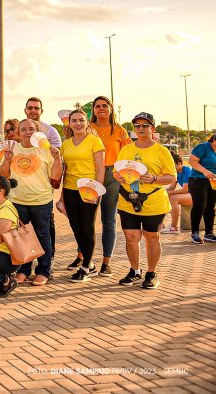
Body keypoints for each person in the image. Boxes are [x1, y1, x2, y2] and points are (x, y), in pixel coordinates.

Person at [114, 112, 176, 289]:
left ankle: (151, 273)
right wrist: (119, 177)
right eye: (137, 126)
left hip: (153, 201)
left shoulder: (161, 151)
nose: (140, 129)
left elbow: (171, 177)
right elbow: (116, 170)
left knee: (151, 237)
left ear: (152, 129)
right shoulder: (127, 149)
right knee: (131, 237)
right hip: (128, 199)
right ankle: (134, 271)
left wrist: (154, 179)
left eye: (145, 125)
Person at [0, 119, 62, 286]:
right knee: (23, 237)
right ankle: (24, 270)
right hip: (18, 200)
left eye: (31, 129)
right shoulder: (13, 148)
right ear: (18, 133)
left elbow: (55, 176)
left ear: (37, 131)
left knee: (42, 236)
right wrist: (7, 159)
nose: (28, 132)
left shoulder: (45, 150)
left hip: (41, 200)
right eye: (24, 129)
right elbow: (4, 174)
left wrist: (57, 159)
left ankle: (43, 271)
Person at [58, 109, 106, 281]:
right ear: (69, 123)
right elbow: (64, 171)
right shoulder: (66, 143)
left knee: (87, 227)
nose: (78, 123)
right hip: (70, 189)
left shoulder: (95, 141)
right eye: (74, 120)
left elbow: (100, 168)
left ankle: (86, 267)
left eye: (81, 120)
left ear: (86, 123)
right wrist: (61, 197)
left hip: (89, 190)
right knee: (76, 227)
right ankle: (90, 264)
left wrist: (96, 191)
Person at [88, 95, 131, 275]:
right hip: (90, 175)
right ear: (93, 110)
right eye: (97, 106)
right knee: (87, 219)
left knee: (109, 220)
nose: (101, 108)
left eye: (105, 105)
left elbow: (128, 152)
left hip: (112, 176)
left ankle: (107, 261)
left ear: (111, 109)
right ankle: (84, 257)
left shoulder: (120, 131)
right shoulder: (88, 128)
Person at [187, 133, 216, 244]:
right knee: (200, 206)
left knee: (211, 207)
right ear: (214, 140)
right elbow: (192, 161)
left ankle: (209, 234)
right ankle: (195, 233)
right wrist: (205, 172)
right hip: (198, 179)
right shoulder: (203, 147)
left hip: (213, 182)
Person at [162, 150, 192, 234]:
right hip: (189, 195)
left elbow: (185, 190)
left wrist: (169, 193)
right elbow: (171, 188)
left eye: (172, 165)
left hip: (197, 195)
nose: (170, 167)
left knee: (174, 198)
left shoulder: (187, 170)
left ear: (179, 163)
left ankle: (174, 227)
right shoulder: (177, 173)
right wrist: (161, 192)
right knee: (163, 196)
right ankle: (161, 224)